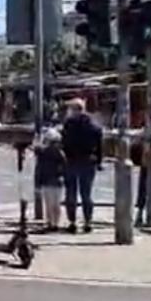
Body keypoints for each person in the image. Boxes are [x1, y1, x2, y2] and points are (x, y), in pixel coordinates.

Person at [61, 97, 103, 234]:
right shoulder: (93, 125)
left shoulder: (69, 124)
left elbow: (64, 143)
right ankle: (88, 222)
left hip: (72, 160)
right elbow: (100, 144)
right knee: (87, 193)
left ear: (74, 110)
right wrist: (99, 161)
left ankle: (72, 222)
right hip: (88, 161)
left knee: (71, 193)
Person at [33, 127, 66, 232]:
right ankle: (54, 223)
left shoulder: (43, 153)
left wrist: (37, 184)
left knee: (50, 204)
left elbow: (39, 169)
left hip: (48, 181)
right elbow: (64, 168)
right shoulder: (60, 154)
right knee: (55, 204)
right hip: (56, 181)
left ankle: (51, 223)